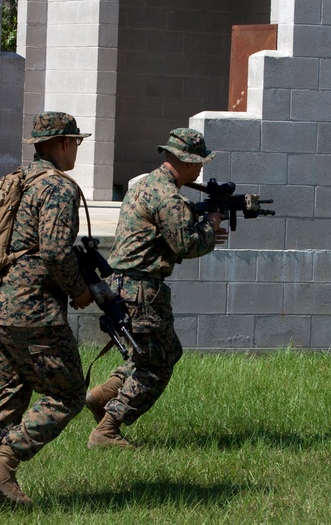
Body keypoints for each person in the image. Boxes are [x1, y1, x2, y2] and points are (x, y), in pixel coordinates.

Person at [0, 111, 95, 509]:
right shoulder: (57, 188)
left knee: (8, 401)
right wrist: (80, 290)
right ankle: (2, 462)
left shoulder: (13, 180)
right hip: (32, 311)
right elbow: (54, 252)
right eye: (76, 143)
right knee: (67, 395)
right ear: (62, 143)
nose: (76, 151)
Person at [86, 128, 228, 449]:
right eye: (199, 162)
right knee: (158, 363)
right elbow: (186, 243)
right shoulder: (168, 196)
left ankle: (102, 395)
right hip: (142, 290)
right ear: (186, 161)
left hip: (123, 285)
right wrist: (211, 227)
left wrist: (201, 225)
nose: (201, 169)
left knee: (150, 353)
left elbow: (160, 235)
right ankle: (107, 430)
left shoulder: (145, 185)